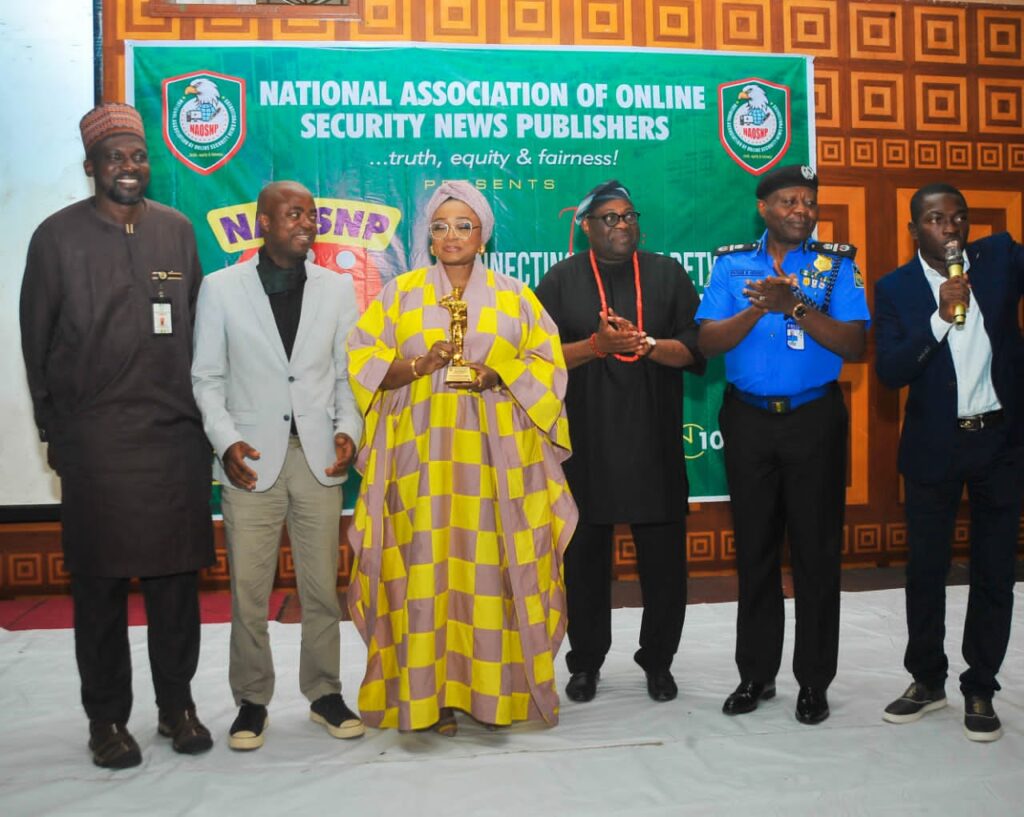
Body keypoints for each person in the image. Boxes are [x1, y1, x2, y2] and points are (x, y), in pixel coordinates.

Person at [19, 103, 215, 769]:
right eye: (114, 158)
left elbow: (194, 329)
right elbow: (35, 344)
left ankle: (176, 707)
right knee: (100, 587)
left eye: (137, 156)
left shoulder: (178, 231)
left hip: (174, 439)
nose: (128, 168)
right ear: (89, 167)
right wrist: (57, 431)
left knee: (175, 584)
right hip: (97, 443)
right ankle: (106, 718)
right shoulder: (55, 238)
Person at [346, 181, 577, 735]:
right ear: (428, 236)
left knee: (494, 573)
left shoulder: (516, 297)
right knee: (423, 573)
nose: (452, 236)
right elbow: (363, 360)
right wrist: (419, 366)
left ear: (483, 236)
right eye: (442, 226)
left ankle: (495, 694)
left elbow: (548, 367)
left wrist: (502, 373)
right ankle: (429, 700)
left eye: (464, 225)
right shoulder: (399, 295)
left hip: (499, 465)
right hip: (419, 464)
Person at [192, 181, 365, 750]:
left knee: (321, 588)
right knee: (249, 591)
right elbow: (207, 379)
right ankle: (251, 701)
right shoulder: (221, 288)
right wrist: (225, 442)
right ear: (263, 221)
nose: (307, 222)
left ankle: (325, 693)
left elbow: (346, 376)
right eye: (294, 214)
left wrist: (348, 430)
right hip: (251, 461)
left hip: (317, 460)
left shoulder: (338, 291)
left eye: (312, 214)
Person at [696, 164, 869, 725]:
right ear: (764, 208)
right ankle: (756, 674)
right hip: (748, 423)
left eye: (809, 201)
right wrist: (758, 305)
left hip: (813, 421)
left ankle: (814, 681)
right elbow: (706, 341)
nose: (802, 210)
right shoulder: (731, 265)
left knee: (817, 555)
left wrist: (794, 304)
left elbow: (856, 345)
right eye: (789, 200)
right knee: (756, 552)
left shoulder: (836, 265)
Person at [534, 180, 705, 704]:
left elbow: (697, 351)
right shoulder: (560, 281)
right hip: (585, 448)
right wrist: (596, 345)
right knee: (584, 565)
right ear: (586, 226)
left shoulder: (667, 274)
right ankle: (585, 663)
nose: (622, 225)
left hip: (653, 445)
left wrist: (648, 344)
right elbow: (537, 360)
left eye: (629, 216)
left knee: (664, 566)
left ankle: (658, 661)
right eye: (609, 218)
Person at [874, 183, 1023, 742]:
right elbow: (890, 371)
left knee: (994, 572)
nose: (951, 228)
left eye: (958, 218)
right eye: (936, 220)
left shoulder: (999, 259)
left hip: (1000, 444)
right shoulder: (896, 288)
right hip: (935, 446)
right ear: (916, 229)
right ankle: (927, 680)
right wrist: (939, 318)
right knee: (926, 571)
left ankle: (981, 684)